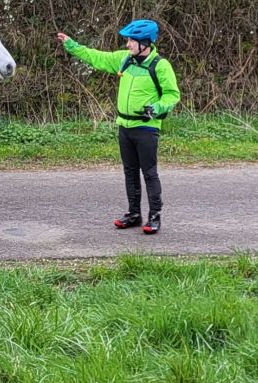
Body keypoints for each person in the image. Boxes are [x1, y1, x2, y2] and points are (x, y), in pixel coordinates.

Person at [56, 19, 181, 235]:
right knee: (130, 172)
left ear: (145, 43)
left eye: (131, 41)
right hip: (124, 126)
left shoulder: (160, 65)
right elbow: (96, 57)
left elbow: (172, 95)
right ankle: (134, 214)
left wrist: (157, 107)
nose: (128, 44)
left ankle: (154, 216)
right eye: (128, 40)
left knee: (149, 173)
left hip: (147, 128)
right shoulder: (124, 60)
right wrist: (72, 45)